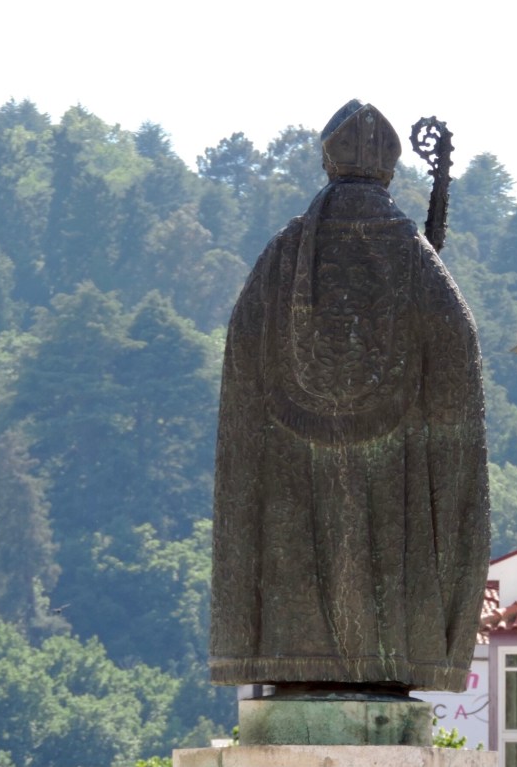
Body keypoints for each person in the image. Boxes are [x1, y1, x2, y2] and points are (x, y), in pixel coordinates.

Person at [209, 100, 490, 694]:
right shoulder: (414, 255)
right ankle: (386, 662)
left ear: (328, 161)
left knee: (307, 537)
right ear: (387, 169)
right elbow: (455, 364)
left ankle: (292, 662)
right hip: (398, 485)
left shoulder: (282, 256)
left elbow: (243, 365)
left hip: (291, 471)